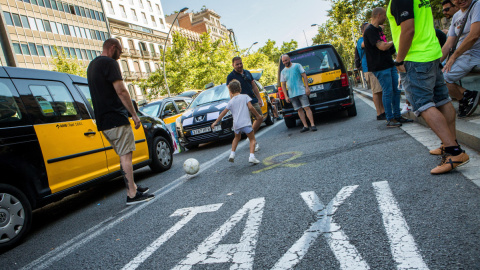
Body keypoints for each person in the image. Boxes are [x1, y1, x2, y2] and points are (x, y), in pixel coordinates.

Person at [388, 0, 470, 174]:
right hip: (432, 54)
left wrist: (399, 59)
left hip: (415, 58)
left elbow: (408, 29)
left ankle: (454, 152)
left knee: (423, 104)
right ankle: (449, 143)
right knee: (442, 100)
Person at [87, 38, 154, 205]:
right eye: (120, 51)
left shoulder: (92, 66)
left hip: (103, 121)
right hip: (116, 118)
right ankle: (132, 194)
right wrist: (134, 115)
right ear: (113, 47)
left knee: (123, 155)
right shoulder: (110, 63)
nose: (120, 55)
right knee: (126, 156)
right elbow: (122, 91)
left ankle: (133, 187)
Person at [364, 7, 413, 127]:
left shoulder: (379, 30)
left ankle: (397, 116)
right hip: (380, 66)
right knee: (388, 92)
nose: (385, 18)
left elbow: (386, 47)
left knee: (396, 91)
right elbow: (382, 46)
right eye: (385, 15)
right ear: (379, 15)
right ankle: (390, 119)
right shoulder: (369, 30)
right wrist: (397, 41)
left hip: (389, 63)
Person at [441, 0, 480, 117]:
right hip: (462, 56)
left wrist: (454, 57)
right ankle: (467, 96)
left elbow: (474, 36)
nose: (460, 0)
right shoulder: (456, 16)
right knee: (434, 75)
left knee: (441, 78)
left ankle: (465, 97)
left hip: (473, 55)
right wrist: (435, 63)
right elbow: (448, 44)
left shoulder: (477, 5)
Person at [211, 79, 262, 164]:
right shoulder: (245, 96)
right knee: (252, 139)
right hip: (246, 123)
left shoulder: (231, 101)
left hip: (236, 124)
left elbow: (224, 112)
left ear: (230, 91)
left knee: (236, 138)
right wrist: (258, 116)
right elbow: (251, 107)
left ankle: (232, 154)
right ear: (240, 89)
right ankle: (252, 156)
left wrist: (216, 122)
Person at [226, 57, 263, 151]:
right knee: (248, 123)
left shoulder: (247, 72)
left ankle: (250, 137)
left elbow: (254, 86)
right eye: (237, 64)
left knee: (260, 117)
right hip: (241, 103)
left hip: (252, 99)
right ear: (233, 65)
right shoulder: (231, 76)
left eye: (240, 63)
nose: (239, 65)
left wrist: (259, 98)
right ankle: (254, 143)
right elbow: (231, 92)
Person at [280, 54, 317, 132]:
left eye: (286, 60)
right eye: (283, 61)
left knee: (306, 107)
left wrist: (307, 87)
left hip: (301, 91)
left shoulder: (297, 66)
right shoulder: (283, 72)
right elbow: (283, 84)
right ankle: (305, 126)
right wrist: (286, 96)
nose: (285, 62)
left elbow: (304, 75)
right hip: (292, 94)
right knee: (299, 110)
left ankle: (312, 125)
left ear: (289, 59)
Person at [357, 22, 385, 120]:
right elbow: (364, 44)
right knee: (376, 90)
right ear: (364, 30)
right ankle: (379, 113)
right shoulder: (361, 40)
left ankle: (383, 111)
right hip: (369, 68)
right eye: (369, 28)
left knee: (380, 90)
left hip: (376, 66)